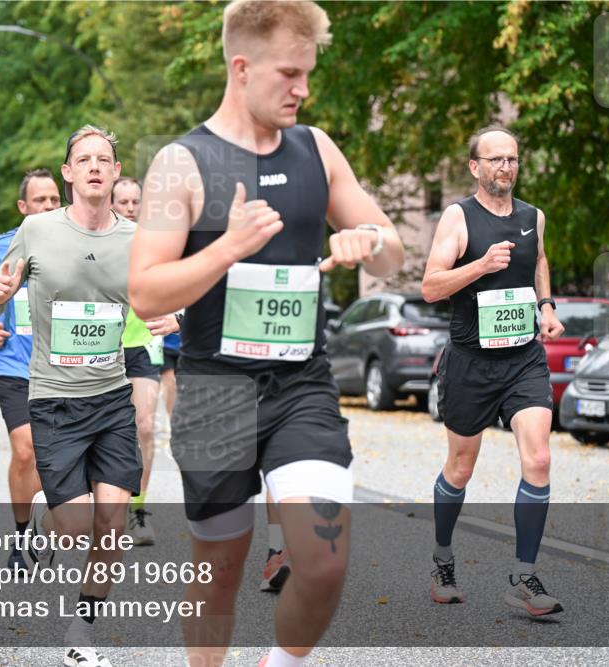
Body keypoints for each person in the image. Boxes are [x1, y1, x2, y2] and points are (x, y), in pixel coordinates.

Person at [128, 1, 404, 664]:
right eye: (289, 74)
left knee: (323, 562)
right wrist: (226, 248)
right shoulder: (181, 163)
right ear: (242, 67)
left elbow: (394, 252)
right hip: (215, 391)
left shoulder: (317, 148)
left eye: (308, 74)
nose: (303, 89)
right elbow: (144, 290)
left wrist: (371, 240)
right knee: (219, 569)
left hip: (299, 384)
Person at [0, 127, 140, 667]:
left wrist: (173, 313)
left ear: (116, 173)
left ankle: (82, 626)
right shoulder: (36, 229)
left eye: (104, 159)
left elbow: (161, 295)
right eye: (83, 159)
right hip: (52, 399)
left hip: (113, 399)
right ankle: (45, 529)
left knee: (113, 527)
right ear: (68, 173)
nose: (95, 166)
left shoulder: (137, 238)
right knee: (74, 528)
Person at [421, 126, 564, 616]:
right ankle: (443, 558)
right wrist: (479, 266)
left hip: (523, 358)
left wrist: (545, 305)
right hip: (471, 362)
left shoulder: (533, 217)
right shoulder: (458, 218)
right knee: (461, 468)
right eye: (497, 159)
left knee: (539, 459)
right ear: (475, 167)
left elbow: (538, 259)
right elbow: (430, 286)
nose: (507, 167)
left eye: (514, 159)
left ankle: (524, 576)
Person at [0, 167, 59, 571]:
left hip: (61, 368)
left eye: (55, 200)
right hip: (14, 364)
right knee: (25, 450)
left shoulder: (74, 247)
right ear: (23, 206)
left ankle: (41, 514)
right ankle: (21, 538)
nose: (48, 206)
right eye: (40, 200)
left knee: (53, 458)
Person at [112, 177, 180, 546]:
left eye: (136, 201)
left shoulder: (157, 245)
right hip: (101, 345)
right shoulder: (99, 241)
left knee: (145, 425)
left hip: (144, 342)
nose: (130, 207)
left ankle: (138, 511)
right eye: (122, 201)